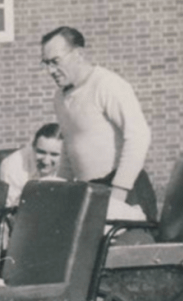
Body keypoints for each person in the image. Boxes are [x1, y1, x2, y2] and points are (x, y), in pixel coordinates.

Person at [41, 26, 158, 221]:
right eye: (46, 63)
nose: (50, 70)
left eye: (55, 62)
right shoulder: (60, 98)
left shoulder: (107, 84)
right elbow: (70, 148)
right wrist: (62, 187)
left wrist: (118, 194)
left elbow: (139, 136)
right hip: (90, 192)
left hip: (125, 192)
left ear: (79, 54)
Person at [0, 123, 65, 207]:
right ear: (33, 147)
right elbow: (12, 208)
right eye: (41, 152)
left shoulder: (72, 162)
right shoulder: (13, 166)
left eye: (54, 154)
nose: (46, 161)